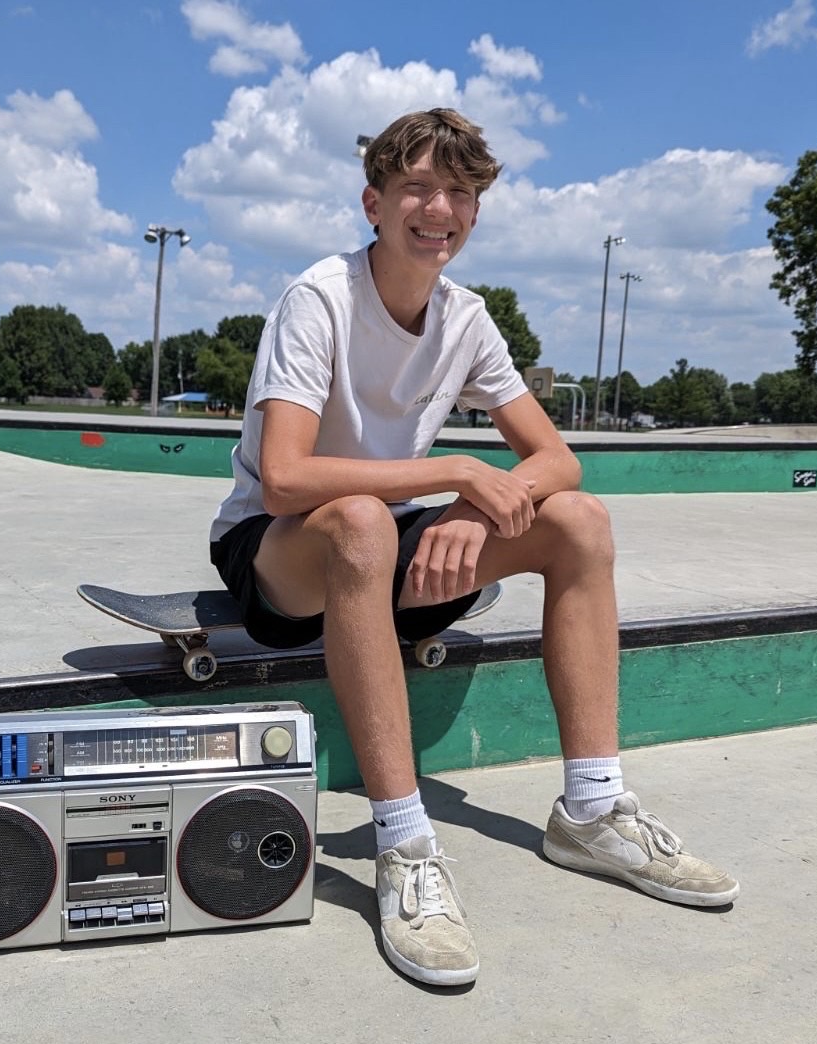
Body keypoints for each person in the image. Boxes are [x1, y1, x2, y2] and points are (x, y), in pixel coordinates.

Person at [209, 107, 739, 987]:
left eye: (457, 192)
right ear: (374, 203)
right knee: (360, 520)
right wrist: (452, 474)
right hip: (281, 554)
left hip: (392, 542)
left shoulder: (466, 317)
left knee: (580, 523)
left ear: (475, 214)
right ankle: (404, 843)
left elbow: (557, 460)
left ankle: (594, 812)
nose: (438, 208)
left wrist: (476, 513)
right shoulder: (319, 299)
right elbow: (285, 479)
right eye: (417, 186)